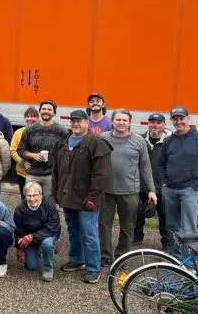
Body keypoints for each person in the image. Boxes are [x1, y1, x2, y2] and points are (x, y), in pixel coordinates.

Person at [52, 110, 112, 284]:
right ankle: (78, 260)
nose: (76, 124)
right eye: (73, 121)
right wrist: (55, 191)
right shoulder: (64, 141)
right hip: (67, 195)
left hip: (87, 199)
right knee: (73, 230)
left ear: (87, 123)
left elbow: (101, 174)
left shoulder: (96, 143)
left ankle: (94, 268)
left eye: (79, 121)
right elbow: (56, 169)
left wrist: (93, 197)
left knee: (89, 232)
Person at [99, 109, 156, 267]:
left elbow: (145, 166)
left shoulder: (138, 141)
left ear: (130, 123)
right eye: (118, 120)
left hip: (130, 191)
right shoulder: (103, 138)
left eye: (125, 120)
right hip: (106, 191)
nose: (121, 123)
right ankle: (105, 255)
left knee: (127, 226)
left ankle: (121, 256)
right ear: (112, 121)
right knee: (103, 225)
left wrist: (151, 189)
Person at [159, 107, 198, 255]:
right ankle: (176, 258)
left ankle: (191, 264)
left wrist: (197, 185)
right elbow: (161, 163)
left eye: (181, 118)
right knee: (172, 227)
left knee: (189, 229)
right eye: (175, 118)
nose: (178, 121)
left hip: (190, 190)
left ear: (188, 118)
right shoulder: (169, 141)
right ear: (172, 120)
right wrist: (164, 182)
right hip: (170, 189)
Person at [17, 100, 68, 205]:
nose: (46, 111)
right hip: (33, 174)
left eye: (49, 109)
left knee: (49, 205)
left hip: (51, 175)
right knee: (30, 203)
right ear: (40, 111)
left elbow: (66, 153)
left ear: (54, 113)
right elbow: (20, 149)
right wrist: (32, 155)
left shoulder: (62, 131)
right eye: (44, 109)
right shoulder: (30, 130)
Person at [133, 113, 172, 247]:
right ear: (148, 124)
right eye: (152, 122)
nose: (155, 125)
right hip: (142, 185)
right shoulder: (140, 139)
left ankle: (167, 241)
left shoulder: (170, 141)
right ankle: (136, 237)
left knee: (164, 216)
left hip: (163, 186)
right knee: (138, 213)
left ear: (164, 125)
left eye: (158, 122)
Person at [13, 182, 61, 282]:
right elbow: (19, 231)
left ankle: (48, 268)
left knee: (47, 244)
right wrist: (20, 248)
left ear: (40, 195)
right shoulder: (19, 210)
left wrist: (32, 236)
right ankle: (37, 249)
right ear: (25, 196)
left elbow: (53, 226)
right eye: (29, 195)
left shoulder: (49, 205)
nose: (32, 198)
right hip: (31, 239)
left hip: (48, 234)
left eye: (35, 195)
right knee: (31, 266)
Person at [10, 106, 39, 199]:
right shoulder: (18, 132)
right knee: (24, 198)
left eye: (33, 116)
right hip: (22, 173)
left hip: (38, 174)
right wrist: (23, 162)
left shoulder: (41, 132)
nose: (30, 119)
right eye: (27, 116)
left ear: (38, 118)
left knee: (38, 198)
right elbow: (13, 150)